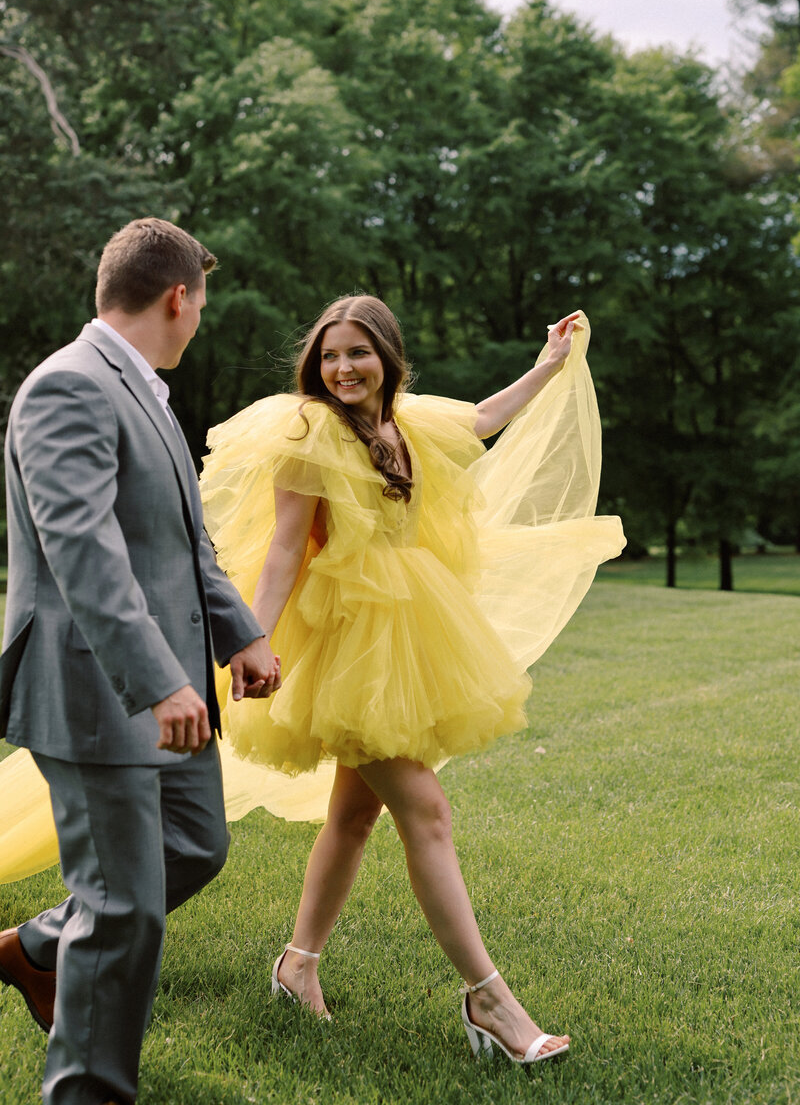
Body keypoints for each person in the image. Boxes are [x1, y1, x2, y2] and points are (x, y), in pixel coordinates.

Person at [199, 295, 626, 1064]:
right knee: (425, 810)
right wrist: (250, 641)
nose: (342, 369)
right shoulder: (310, 435)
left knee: (355, 818)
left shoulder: (406, 421)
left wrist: (548, 366)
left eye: (357, 353)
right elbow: (285, 551)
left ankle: (297, 965)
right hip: (348, 646)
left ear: (387, 358)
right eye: (329, 356)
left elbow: (482, 420)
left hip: (408, 632)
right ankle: (489, 1000)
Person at [0, 218, 271, 1105]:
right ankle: (86, 1091)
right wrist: (158, 680)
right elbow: (81, 551)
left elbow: (182, 546)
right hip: (97, 686)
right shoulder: (69, 388)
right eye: (201, 305)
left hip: (177, 684)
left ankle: (35, 949)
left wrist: (240, 634)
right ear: (176, 296)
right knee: (122, 907)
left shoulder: (145, 390)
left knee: (194, 845)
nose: (198, 321)